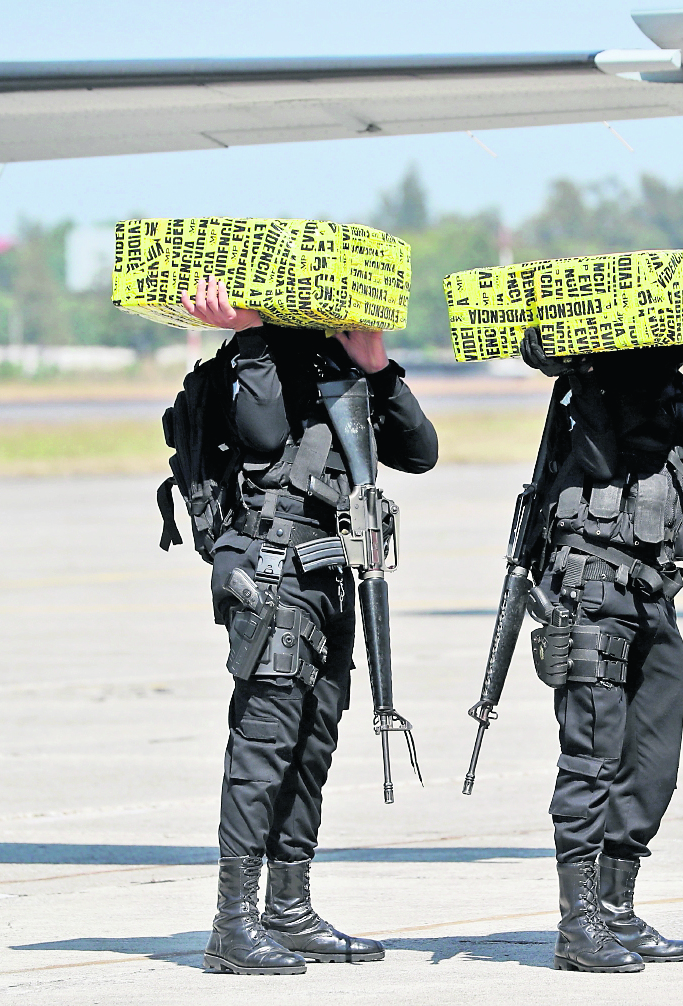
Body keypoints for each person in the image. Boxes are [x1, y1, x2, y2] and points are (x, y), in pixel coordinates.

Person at [179, 277, 438, 975]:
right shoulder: (246, 363)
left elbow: (419, 451)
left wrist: (378, 369)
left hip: (326, 578)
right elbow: (264, 435)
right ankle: (232, 927)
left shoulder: (340, 369)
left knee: (311, 745)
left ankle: (288, 911)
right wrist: (252, 333)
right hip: (272, 578)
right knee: (262, 750)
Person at [517, 327, 683, 973]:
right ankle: (579, 926)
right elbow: (603, 455)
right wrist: (590, 354)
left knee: (652, 761)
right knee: (590, 759)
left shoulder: (678, 394)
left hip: (653, 596)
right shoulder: (593, 389)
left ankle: (616, 910)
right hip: (590, 592)